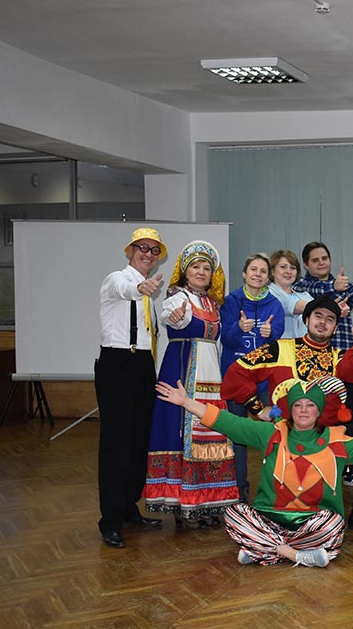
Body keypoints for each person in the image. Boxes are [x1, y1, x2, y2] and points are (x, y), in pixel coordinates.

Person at [156, 376, 353, 567]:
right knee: (234, 514)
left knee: (334, 525)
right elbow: (230, 423)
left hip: (313, 519)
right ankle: (293, 554)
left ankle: (261, 549)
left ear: (318, 411)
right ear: (291, 410)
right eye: (298, 405)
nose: (303, 410)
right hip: (270, 516)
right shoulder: (271, 434)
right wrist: (187, 402)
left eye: (310, 405)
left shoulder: (338, 442)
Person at [220, 295, 353, 530]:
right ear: (306, 319)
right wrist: (259, 409)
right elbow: (237, 373)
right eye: (318, 316)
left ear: (335, 328)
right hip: (291, 436)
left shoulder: (338, 357)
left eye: (330, 319)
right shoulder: (279, 349)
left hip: (329, 435)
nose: (323, 322)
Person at [143, 240, 238, 528]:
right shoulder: (177, 297)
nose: (201, 272)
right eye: (195, 267)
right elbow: (172, 317)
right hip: (183, 371)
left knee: (212, 432)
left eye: (206, 268)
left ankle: (209, 500)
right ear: (185, 272)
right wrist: (176, 316)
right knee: (182, 432)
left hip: (211, 376)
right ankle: (181, 503)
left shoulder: (214, 304)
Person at [94, 227, 167, 549]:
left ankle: (128, 507)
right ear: (130, 251)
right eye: (142, 248)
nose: (148, 254)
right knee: (116, 444)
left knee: (139, 441)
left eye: (154, 250)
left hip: (143, 366)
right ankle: (110, 520)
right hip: (118, 364)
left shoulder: (150, 294)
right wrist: (140, 287)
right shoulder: (117, 279)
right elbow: (126, 289)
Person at [219, 253, 285, 502]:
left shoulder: (274, 304)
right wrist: (239, 328)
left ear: (268, 277)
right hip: (236, 380)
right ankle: (239, 490)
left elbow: (277, 338)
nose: (258, 274)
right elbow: (226, 339)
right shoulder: (230, 301)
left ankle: (273, 487)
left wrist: (271, 333)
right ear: (244, 274)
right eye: (253, 269)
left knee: (274, 432)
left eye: (263, 271)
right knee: (237, 435)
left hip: (264, 382)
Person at [294, 241, 353, 426]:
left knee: (350, 414)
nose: (321, 263)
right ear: (306, 264)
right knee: (318, 415)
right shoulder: (300, 287)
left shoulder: (341, 284)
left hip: (345, 360)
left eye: (324, 258)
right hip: (315, 362)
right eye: (315, 260)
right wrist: (333, 288)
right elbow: (312, 292)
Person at [267, 249, 314, 339]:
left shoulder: (306, 296)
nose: (288, 271)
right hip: (277, 346)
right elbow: (291, 305)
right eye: (283, 267)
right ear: (272, 271)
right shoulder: (266, 294)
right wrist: (328, 307)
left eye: (293, 268)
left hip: (303, 347)